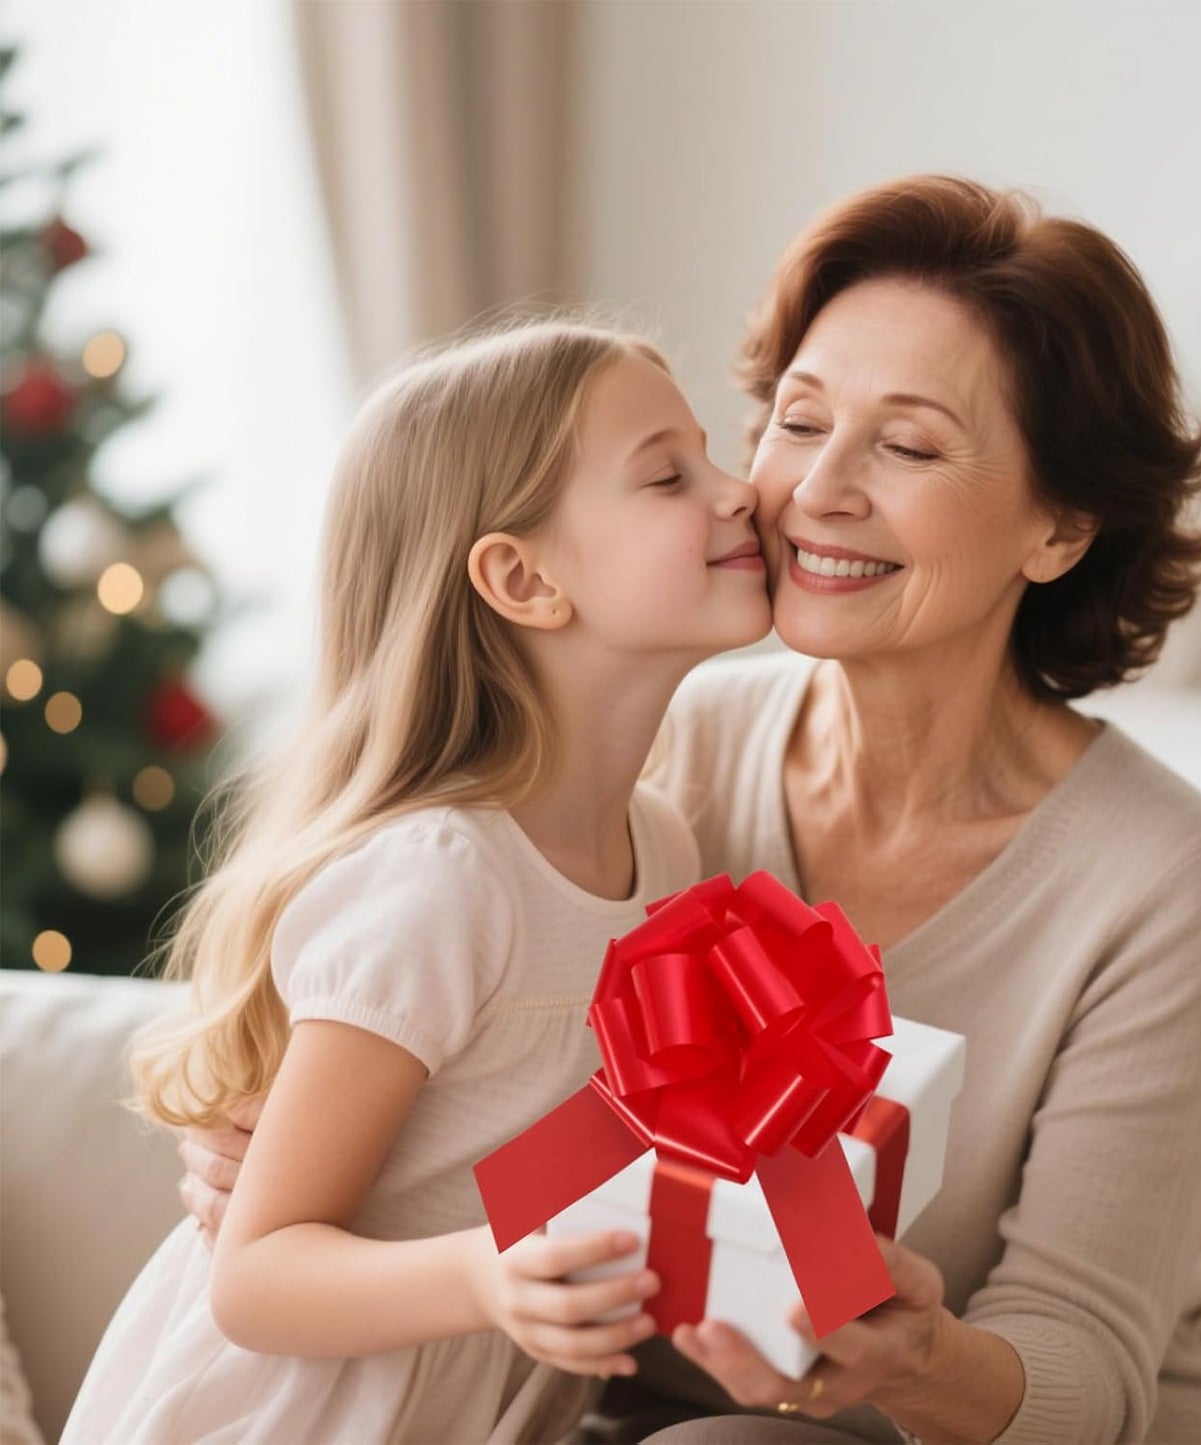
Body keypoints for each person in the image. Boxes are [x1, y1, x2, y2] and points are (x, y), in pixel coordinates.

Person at [180, 176, 1201, 1445]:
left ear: (1059, 527)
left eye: (905, 446)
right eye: (796, 423)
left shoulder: (1161, 871)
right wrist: (268, 1161)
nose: (809, 492)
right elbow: (448, 1091)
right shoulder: (653, 771)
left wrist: (913, 1356)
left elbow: (1087, 1366)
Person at [61, 320, 773, 1445]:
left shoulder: (664, 851)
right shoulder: (439, 881)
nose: (743, 492)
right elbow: (254, 1275)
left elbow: (539, 1145)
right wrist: (493, 1279)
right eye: (667, 473)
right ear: (522, 576)